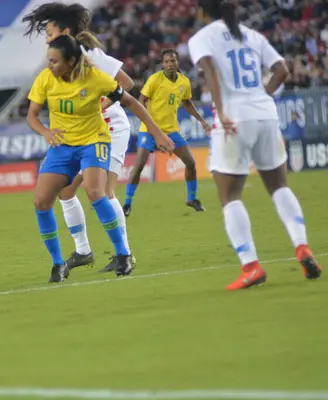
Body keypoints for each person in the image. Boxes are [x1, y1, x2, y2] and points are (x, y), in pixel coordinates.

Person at [189, 0, 321, 290]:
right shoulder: (252, 35)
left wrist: (221, 110)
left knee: (230, 196)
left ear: (202, 11)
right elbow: (282, 69)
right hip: (265, 113)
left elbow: (210, 70)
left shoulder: (202, 37)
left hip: (234, 118)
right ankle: (302, 248)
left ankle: (251, 267)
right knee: (279, 187)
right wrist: (263, 95)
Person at [27, 35, 174, 282]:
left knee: (96, 192)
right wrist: (45, 131)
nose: (49, 65)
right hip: (62, 146)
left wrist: (157, 132)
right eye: (48, 60)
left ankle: (123, 254)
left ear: (71, 61)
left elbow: (130, 100)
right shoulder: (45, 79)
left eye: (54, 61)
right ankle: (58, 264)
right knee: (41, 202)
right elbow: (32, 116)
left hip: (93, 142)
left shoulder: (94, 78)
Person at [22, 2, 136, 274]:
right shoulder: (59, 62)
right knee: (65, 191)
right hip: (77, 136)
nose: (47, 40)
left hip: (110, 127)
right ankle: (83, 250)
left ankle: (125, 254)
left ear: (65, 31)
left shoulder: (91, 54)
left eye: (49, 34)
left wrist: (101, 105)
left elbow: (127, 84)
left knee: (103, 192)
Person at [123, 49, 211, 217]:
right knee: (139, 164)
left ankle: (192, 198)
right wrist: (150, 126)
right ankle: (127, 203)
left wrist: (201, 120)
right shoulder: (155, 79)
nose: (170, 64)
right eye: (167, 61)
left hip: (171, 130)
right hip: (149, 130)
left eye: (173, 61)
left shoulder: (184, 82)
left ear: (177, 63)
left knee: (191, 162)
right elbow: (140, 101)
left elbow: (187, 103)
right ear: (163, 64)